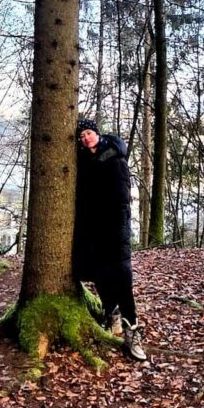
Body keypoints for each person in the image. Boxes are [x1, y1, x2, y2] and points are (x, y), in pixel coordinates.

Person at [74, 118, 147, 362]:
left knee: (123, 280)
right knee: (100, 276)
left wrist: (115, 229)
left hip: (115, 232)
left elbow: (121, 201)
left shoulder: (115, 159)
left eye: (89, 132)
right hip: (93, 232)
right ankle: (111, 316)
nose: (86, 137)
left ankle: (132, 332)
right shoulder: (84, 161)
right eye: (82, 135)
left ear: (97, 133)